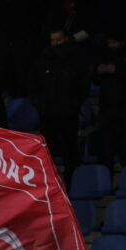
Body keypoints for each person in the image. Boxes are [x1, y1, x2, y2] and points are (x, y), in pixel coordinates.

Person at [29, 27, 88, 184]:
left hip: (69, 114)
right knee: (47, 154)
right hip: (48, 115)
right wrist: (40, 104)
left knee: (71, 153)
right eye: (53, 40)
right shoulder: (42, 59)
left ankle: (72, 186)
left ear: (66, 39)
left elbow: (83, 85)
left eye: (59, 40)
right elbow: (33, 84)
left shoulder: (75, 59)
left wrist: (74, 105)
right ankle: (50, 187)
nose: (56, 44)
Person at [92, 32, 126, 168]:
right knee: (106, 146)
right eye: (110, 43)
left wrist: (117, 70)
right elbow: (94, 80)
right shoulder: (103, 56)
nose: (112, 45)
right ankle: (106, 181)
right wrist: (98, 71)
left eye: (115, 43)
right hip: (107, 107)